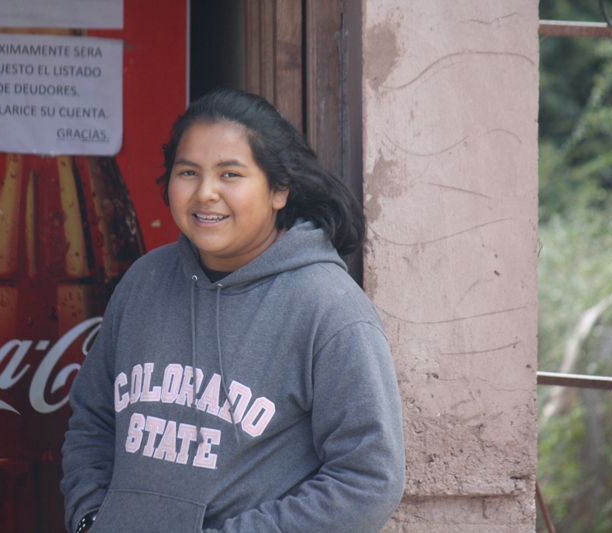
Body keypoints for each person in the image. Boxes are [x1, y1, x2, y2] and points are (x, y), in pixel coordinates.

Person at [61, 88, 405, 533]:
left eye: (230, 174)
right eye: (188, 172)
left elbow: (369, 480)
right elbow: (93, 419)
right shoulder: (144, 281)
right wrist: (91, 518)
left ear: (279, 189)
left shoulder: (329, 310)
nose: (205, 193)